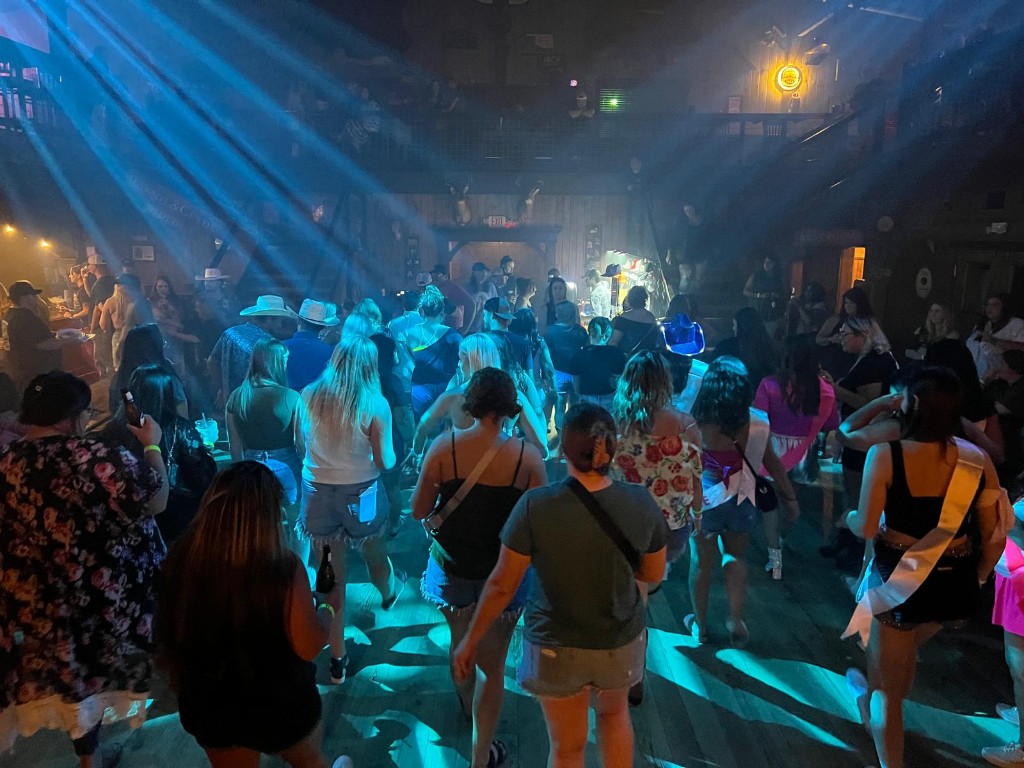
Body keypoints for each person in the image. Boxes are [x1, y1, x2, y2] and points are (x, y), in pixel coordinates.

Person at [452, 403, 667, 768]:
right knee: (614, 717)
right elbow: (654, 575)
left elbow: (502, 585)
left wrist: (469, 641)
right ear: (612, 449)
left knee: (567, 747)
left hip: (555, 647)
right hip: (618, 640)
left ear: (563, 449)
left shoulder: (536, 506)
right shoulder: (640, 502)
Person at [0, 371, 168, 765]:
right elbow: (156, 497)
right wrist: (152, 446)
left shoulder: (6, 463)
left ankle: (88, 759)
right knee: (92, 678)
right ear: (70, 417)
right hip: (98, 599)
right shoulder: (97, 459)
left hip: (38, 603)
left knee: (70, 679)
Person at [843, 366, 1004, 768]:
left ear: (910, 404)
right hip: (954, 584)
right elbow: (995, 535)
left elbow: (864, 525)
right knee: (903, 657)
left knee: (887, 690)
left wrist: (848, 516)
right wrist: (980, 575)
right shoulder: (977, 459)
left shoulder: (886, 456)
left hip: (899, 578)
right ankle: (877, 701)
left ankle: (887, 747)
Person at [156, 462, 352, 768]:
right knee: (310, 763)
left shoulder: (179, 561)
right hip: (279, 705)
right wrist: (329, 606)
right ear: (269, 517)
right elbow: (309, 645)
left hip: (208, 704)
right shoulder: (282, 569)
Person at [411, 368, 546, 768]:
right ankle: (482, 750)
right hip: (502, 574)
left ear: (469, 402)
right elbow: (536, 522)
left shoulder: (443, 448)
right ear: (508, 407)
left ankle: (468, 713)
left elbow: (419, 510)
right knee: (493, 662)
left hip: (450, 567)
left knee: (459, 645)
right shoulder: (527, 458)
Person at [294, 335, 404, 686]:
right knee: (374, 551)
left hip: (317, 491)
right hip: (362, 490)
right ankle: (387, 593)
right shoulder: (374, 402)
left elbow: (300, 444)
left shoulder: (309, 394)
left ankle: (338, 656)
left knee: (330, 572)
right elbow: (386, 461)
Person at [687, 357, 799, 645]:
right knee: (736, 557)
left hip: (705, 499)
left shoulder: (694, 421)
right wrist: (790, 499)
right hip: (742, 499)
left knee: (702, 562)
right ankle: (735, 618)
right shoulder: (756, 423)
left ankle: (699, 625)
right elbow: (773, 464)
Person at [753, 338, 840, 578]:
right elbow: (832, 423)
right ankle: (782, 537)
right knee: (792, 501)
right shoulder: (824, 390)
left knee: (772, 505)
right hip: (804, 452)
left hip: (772, 449)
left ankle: (775, 558)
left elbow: (758, 420)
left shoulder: (769, 385)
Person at [100, 363, 214, 544]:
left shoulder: (112, 430)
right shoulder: (178, 426)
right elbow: (201, 476)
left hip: (127, 516)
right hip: (174, 515)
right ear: (167, 393)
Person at [820, 316, 899, 570]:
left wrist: (835, 389)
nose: (841, 337)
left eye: (845, 334)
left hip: (868, 439)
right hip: (864, 439)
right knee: (852, 493)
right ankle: (845, 542)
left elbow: (870, 406)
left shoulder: (875, 364)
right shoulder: (868, 360)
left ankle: (854, 550)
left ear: (864, 336)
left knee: (859, 496)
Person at [612, 351, 702, 566]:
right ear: (666, 381)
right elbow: (695, 480)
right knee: (653, 577)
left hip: (624, 524)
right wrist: (697, 516)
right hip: (670, 526)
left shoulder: (615, 426)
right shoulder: (686, 426)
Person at [411, 334, 546, 457]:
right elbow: (541, 446)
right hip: (503, 468)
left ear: (471, 360)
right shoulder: (515, 397)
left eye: (460, 359)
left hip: (461, 470)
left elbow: (422, 430)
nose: (458, 365)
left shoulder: (451, 398)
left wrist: (417, 455)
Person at [227, 338, 303, 509]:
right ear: (276, 363)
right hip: (287, 466)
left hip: (251, 465)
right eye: (284, 360)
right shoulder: (292, 397)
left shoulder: (237, 396)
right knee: (290, 517)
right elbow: (300, 443)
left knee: (258, 518)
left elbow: (235, 446)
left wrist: (240, 474)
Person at [208, 295, 296, 409]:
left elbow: (211, 362)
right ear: (269, 319)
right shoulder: (269, 343)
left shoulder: (230, 333)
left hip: (231, 405)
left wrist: (223, 388)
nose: (280, 325)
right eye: (280, 320)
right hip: (256, 407)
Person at [399, 285, 462, 421]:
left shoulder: (412, 333)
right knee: (445, 430)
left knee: (422, 427)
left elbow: (412, 356)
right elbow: (461, 361)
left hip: (420, 387)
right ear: (442, 312)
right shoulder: (453, 335)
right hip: (446, 387)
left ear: (422, 311)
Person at [108, 322, 184, 415]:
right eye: (163, 343)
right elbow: (181, 409)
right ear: (155, 348)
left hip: (129, 428)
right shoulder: (164, 376)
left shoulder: (120, 379)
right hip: (163, 428)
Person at [544, 300, 588, 447]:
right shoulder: (580, 331)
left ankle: (563, 438)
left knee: (560, 405)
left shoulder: (550, 331)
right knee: (575, 404)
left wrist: (545, 374)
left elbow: (545, 354)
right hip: (577, 374)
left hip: (557, 373)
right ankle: (574, 435)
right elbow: (586, 350)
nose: (556, 313)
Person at [3, 280, 62, 390]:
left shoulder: (9, 315)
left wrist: (54, 335)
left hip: (21, 369)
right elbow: (43, 344)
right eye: (33, 295)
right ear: (24, 298)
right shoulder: (24, 318)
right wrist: (72, 339)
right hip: (38, 372)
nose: (36, 298)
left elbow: (30, 337)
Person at [713, 306, 778, 395]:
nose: (733, 328)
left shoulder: (727, 346)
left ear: (740, 326)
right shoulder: (771, 348)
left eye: (734, 325)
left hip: (731, 396)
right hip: (763, 397)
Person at [817, 286, 875, 380]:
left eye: (851, 303)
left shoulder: (869, 322)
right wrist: (831, 339)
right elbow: (818, 339)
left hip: (857, 362)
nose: (848, 306)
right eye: (846, 303)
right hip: (835, 361)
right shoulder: (836, 319)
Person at [571, 316, 627, 410]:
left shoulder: (580, 354)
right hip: (610, 398)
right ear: (608, 334)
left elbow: (576, 384)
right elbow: (621, 380)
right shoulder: (616, 353)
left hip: (587, 399)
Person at [285, 299, 339, 392]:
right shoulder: (331, 352)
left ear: (298, 321)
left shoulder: (281, 347)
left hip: (287, 403)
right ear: (322, 327)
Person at [968, 293, 1024, 381]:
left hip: (999, 376)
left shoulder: (1017, 324)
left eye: (995, 305)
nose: (990, 308)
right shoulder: (982, 324)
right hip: (974, 373)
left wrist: (996, 341)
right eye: (988, 305)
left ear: (1004, 307)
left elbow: (1021, 349)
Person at [148, 274, 197, 370]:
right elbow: (156, 319)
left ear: (169, 287)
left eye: (165, 286)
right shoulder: (151, 302)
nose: (162, 289)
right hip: (159, 336)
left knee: (177, 364)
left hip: (176, 336)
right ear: (155, 287)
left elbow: (180, 319)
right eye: (160, 286)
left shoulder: (176, 301)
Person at [483, 296, 534, 377]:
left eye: (485, 314)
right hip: (513, 389)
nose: (484, 318)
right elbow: (530, 378)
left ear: (492, 315)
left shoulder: (481, 341)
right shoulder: (523, 343)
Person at [609, 286, 665, 353]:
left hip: (627, 359)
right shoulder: (651, 317)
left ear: (630, 300)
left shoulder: (624, 318)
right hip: (646, 359)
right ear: (645, 300)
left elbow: (614, 341)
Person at [429, 263, 475, 333]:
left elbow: (471, 304)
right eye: (432, 275)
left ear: (446, 276)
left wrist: (465, 329)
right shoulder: (434, 288)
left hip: (451, 331)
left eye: (437, 275)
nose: (434, 277)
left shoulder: (452, 288)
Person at [743, 255, 787, 326]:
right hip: (757, 312)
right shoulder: (756, 276)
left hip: (772, 314)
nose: (766, 264)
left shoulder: (779, 278)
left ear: (775, 264)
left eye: (770, 262)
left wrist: (777, 295)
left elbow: (785, 295)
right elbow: (745, 291)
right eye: (765, 262)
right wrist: (759, 295)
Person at [465, 261, 498, 334]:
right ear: (474, 273)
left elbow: (496, 304)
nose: (483, 275)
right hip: (472, 325)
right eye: (480, 273)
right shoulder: (468, 288)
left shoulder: (490, 286)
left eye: (484, 273)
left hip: (487, 325)